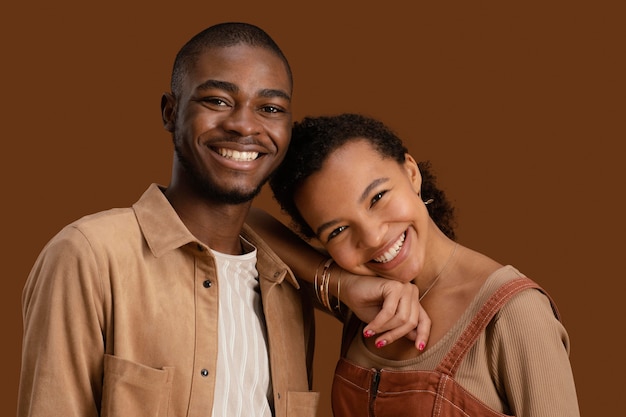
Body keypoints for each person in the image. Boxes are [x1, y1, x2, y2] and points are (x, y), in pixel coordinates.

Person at [17, 24, 426, 417]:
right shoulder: (89, 255)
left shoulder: (286, 284)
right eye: (216, 100)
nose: (244, 125)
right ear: (170, 111)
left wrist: (348, 284)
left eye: (269, 108)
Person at [251, 113, 580, 416]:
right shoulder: (363, 302)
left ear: (411, 172)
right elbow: (233, 218)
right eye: (337, 230)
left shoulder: (514, 313)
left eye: (377, 197)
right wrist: (345, 284)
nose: (373, 236)